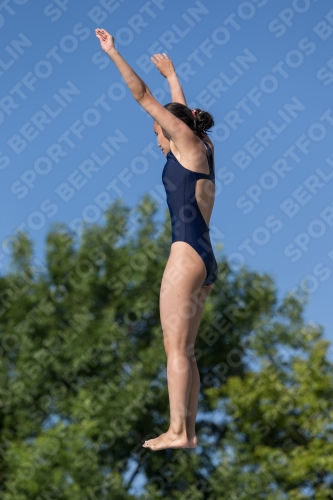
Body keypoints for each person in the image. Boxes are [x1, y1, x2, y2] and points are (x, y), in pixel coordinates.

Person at [96, 29, 218, 451]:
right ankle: (189, 429)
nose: (158, 140)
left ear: (174, 130)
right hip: (205, 259)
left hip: (185, 257)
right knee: (186, 349)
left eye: (157, 133)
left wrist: (114, 53)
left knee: (174, 347)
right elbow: (178, 113)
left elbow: (142, 96)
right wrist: (173, 79)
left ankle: (179, 431)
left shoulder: (185, 143)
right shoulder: (201, 146)